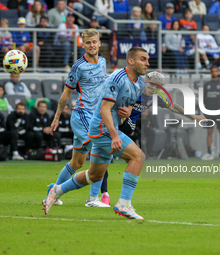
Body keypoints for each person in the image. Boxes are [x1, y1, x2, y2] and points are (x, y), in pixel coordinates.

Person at [43, 47, 149, 219]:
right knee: (138, 156)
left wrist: (128, 111)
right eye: (143, 59)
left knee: (94, 175)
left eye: (147, 59)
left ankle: (56, 190)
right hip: (102, 129)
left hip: (108, 128)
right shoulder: (117, 78)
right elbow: (104, 109)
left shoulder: (140, 83)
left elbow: (130, 105)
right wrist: (115, 135)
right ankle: (124, 204)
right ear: (131, 61)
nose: (147, 63)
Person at [87, 72, 206, 206]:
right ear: (145, 80)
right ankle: (106, 196)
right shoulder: (133, 88)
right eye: (152, 85)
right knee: (99, 161)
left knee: (102, 161)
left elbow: (174, 107)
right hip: (109, 124)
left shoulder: (156, 96)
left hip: (126, 126)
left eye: (159, 87)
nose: (154, 89)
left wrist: (195, 117)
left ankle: (94, 196)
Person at [42, 28, 108, 207]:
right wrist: (56, 117)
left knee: (77, 162)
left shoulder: (103, 62)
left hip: (94, 116)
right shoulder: (78, 66)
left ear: (99, 43)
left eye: (94, 42)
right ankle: (93, 199)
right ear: (83, 44)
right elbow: (66, 94)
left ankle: (52, 191)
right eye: (88, 43)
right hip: (82, 115)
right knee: (100, 149)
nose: (92, 45)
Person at [201, 65, 220, 161]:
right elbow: (203, 99)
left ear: (218, 72)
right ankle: (209, 153)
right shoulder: (206, 85)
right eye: (213, 71)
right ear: (210, 73)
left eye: (216, 71)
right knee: (209, 132)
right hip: (209, 112)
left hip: (219, 112)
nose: (214, 73)